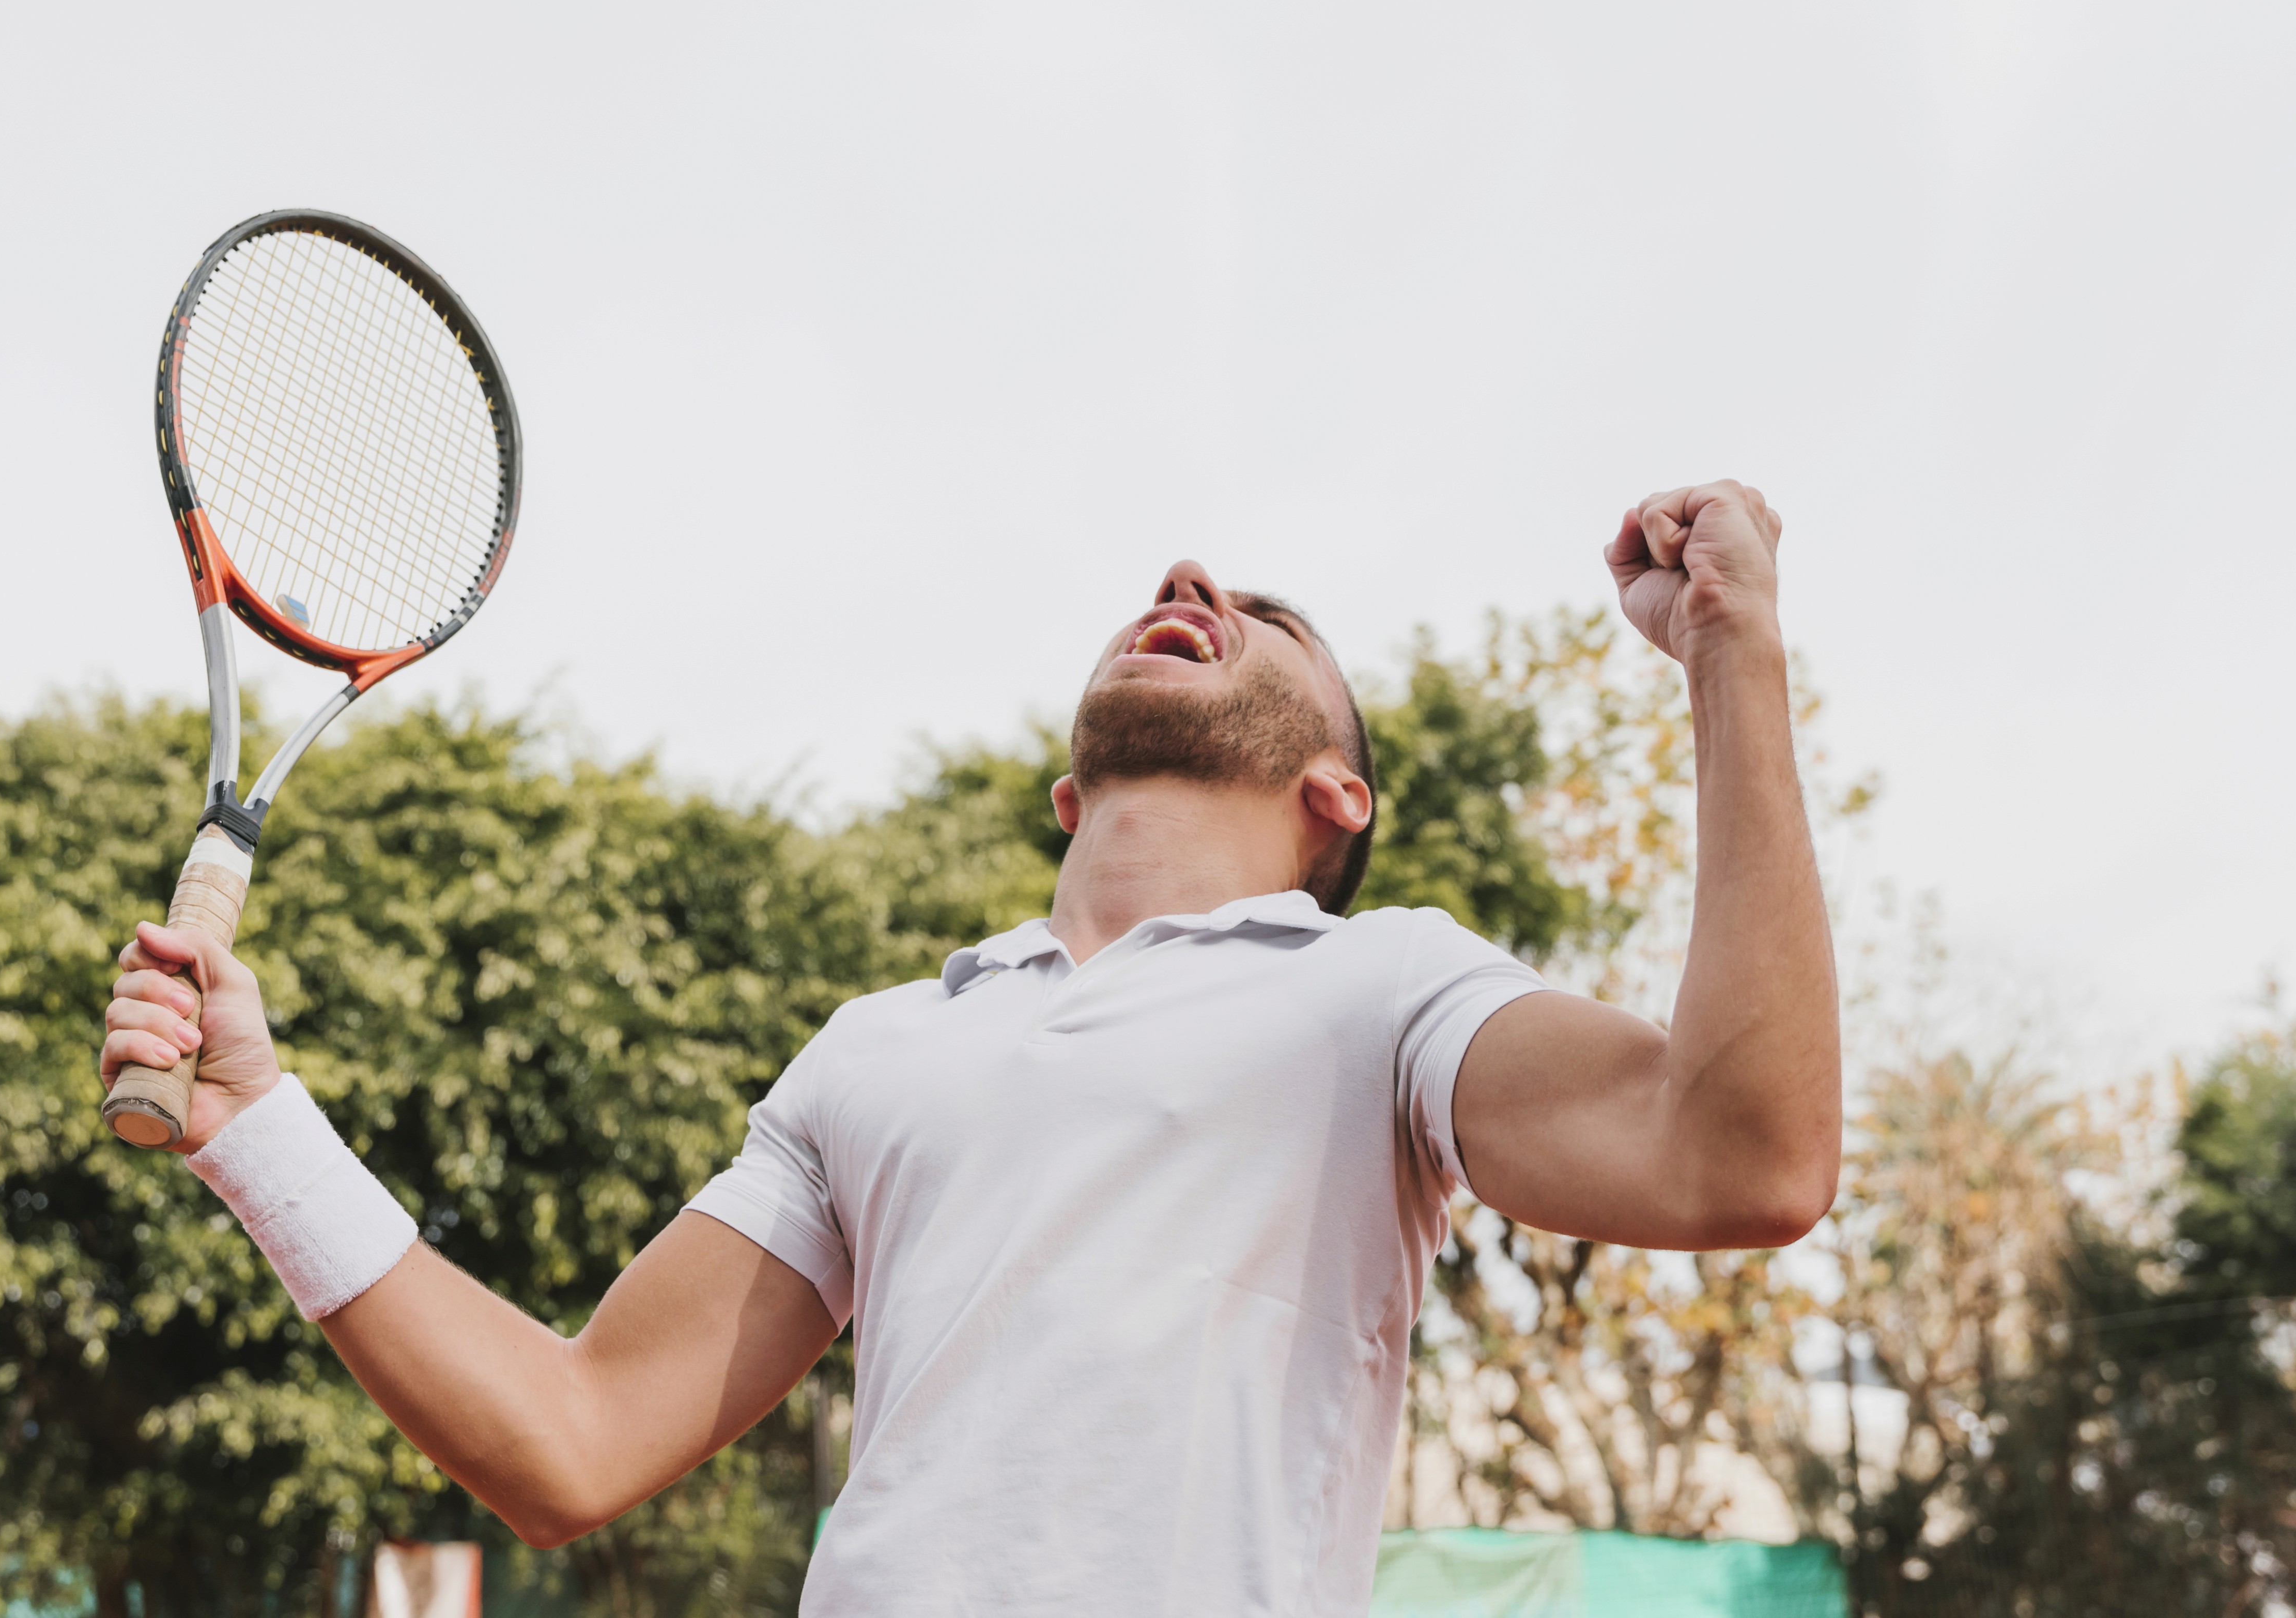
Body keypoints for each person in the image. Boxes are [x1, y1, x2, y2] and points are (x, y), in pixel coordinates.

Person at [101, 481, 1839, 1616]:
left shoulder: (1383, 989)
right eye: (1173, 589)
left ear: (1338, 797)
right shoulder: (875, 1053)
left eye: (1273, 625)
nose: (1188, 578)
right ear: (1069, 795)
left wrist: (1731, 656)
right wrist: (259, 1126)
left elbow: (1740, 1156)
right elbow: (570, 1437)